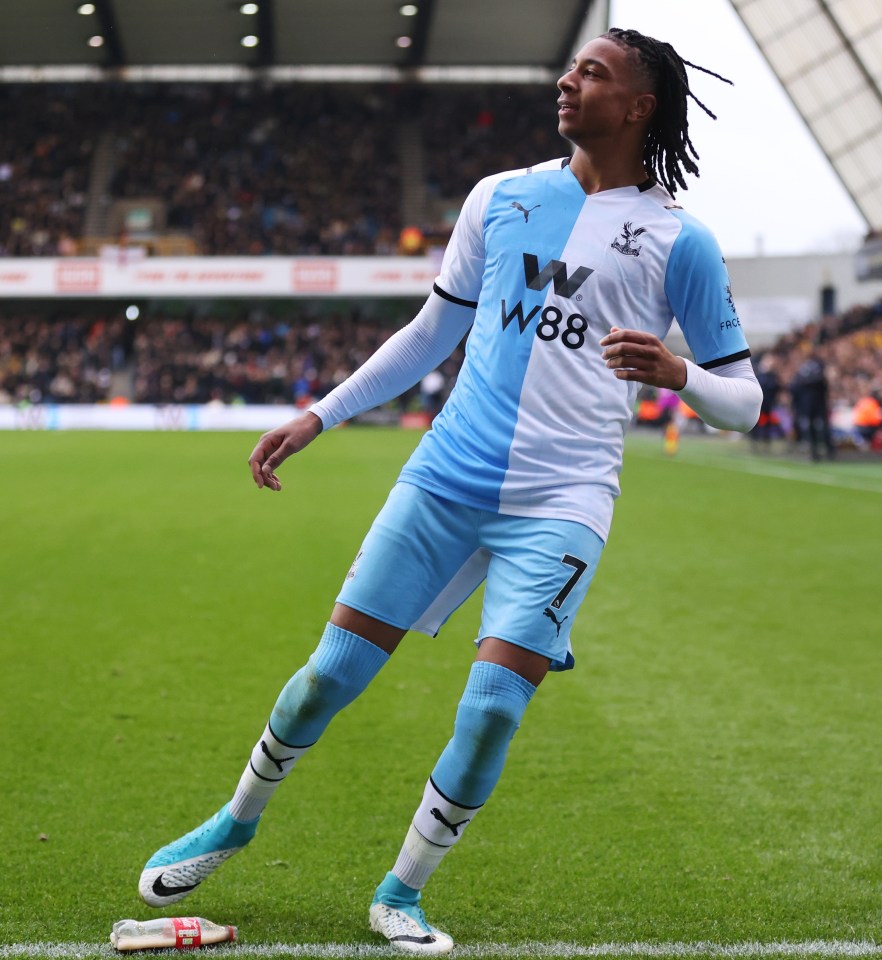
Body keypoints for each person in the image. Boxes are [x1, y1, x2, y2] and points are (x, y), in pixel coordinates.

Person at [136, 28, 762, 955]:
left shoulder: (682, 244)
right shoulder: (500, 196)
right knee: (325, 681)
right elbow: (433, 332)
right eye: (572, 65)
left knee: (493, 707)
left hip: (563, 500)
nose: (567, 78)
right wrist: (320, 415)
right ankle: (234, 820)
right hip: (445, 477)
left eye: (592, 72)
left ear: (638, 107)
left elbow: (743, 401)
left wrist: (679, 373)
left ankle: (402, 890)